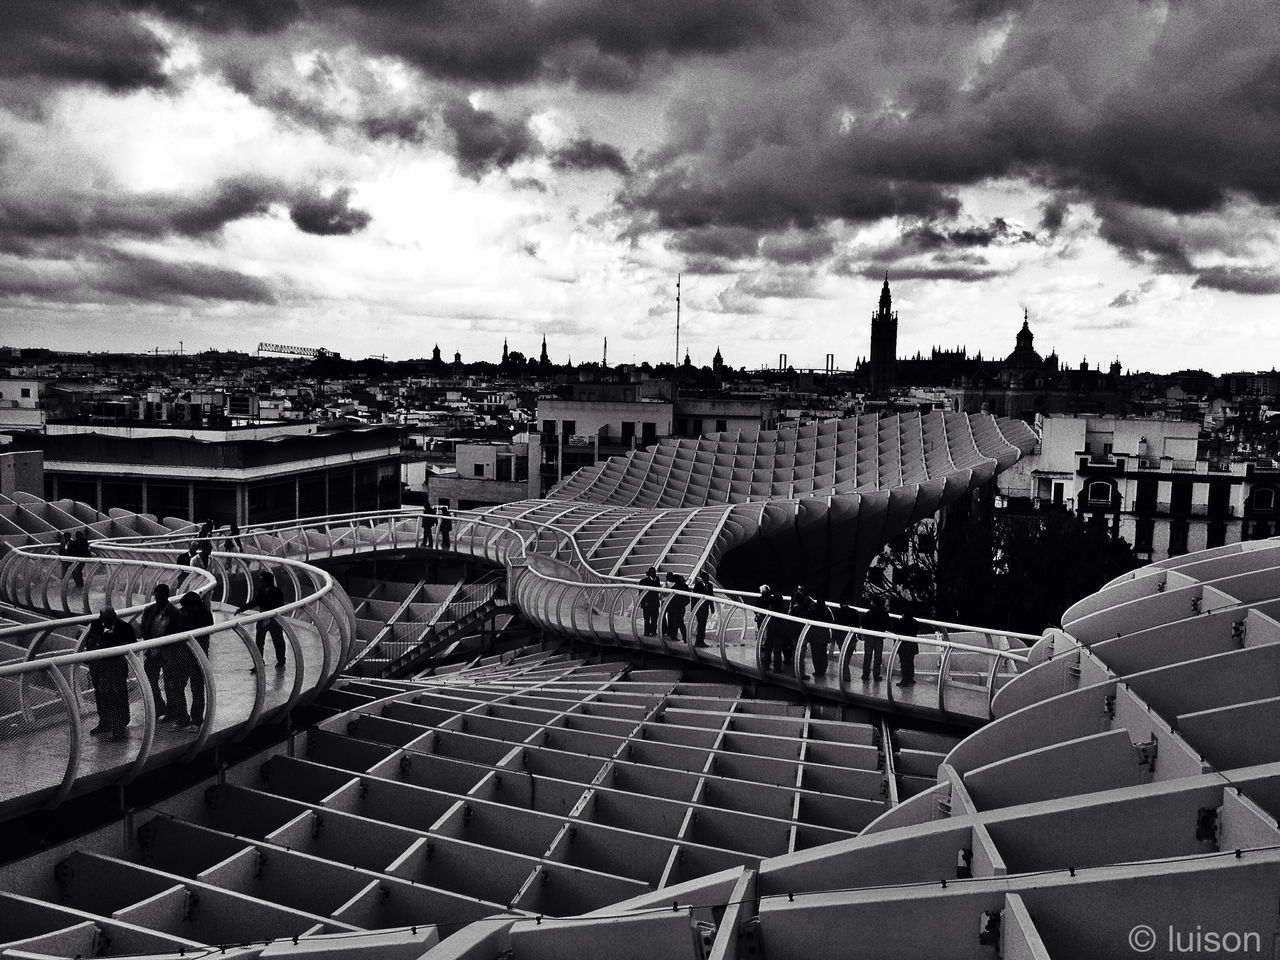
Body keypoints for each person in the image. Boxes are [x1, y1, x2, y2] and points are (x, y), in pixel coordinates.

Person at [84, 605, 135, 739]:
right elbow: (89, 641)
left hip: (115, 666)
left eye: (108, 618)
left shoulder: (124, 627)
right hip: (97, 665)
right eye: (103, 618)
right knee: (100, 694)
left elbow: (132, 644)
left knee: (115, 694)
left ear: (114, 616)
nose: (105, 621)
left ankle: (119, 727)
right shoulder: (96, 624)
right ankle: (105, 723)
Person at [138, 583, 183, 718]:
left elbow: (177, 634)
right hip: (152, 652)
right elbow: (144, 628)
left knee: (170, 683)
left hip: (168, 653)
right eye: (157, 599)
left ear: (168, 597)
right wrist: (150, 645)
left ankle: (171, 710)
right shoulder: (149, 610)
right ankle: (159, 707)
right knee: (149, 681)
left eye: (161, 599)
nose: (159, 602)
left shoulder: (175, 613)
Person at [172, 591, 215, 726]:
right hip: (186, 656)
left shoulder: (202, 615)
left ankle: (195, 720)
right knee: (179, 687)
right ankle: (184, 718)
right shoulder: (185, 613)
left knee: (195, 688)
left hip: (196, 657)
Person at [236, 570, 286, 671]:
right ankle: (259, 662)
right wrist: (242, 608)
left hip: (274, 621)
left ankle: (281, 660)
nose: (261, 583)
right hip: (262, 619)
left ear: (268, 581)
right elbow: (255, 601)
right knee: (259, 642)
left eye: (262, 581)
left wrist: (270, 618)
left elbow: (279, 607)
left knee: (278, 641)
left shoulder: (277, 592)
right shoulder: (262, 590)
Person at [756, 584, 787, 672]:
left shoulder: (770, 609)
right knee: (777, 651)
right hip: (779, 633)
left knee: (768, 649)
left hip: (770, 631)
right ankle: (777, 668)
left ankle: (766, 666)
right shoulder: (783, 610)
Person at [861, 595, 891, 683]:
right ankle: (876, 675)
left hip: (869, 637)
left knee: (867, 656)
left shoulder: (869, 613)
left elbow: (864, 624)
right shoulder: (885, 614)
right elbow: (887, 625)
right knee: (878, 657)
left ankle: (865, 675)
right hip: (879, 638)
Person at [807, 592, 833, 679]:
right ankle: (823, 670)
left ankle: (817, 670)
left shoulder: (813, 610)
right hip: (824, 634)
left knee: (815, 653)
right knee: (823, 653)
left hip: (814, 634)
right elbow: (831, 622)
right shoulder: (827, 611)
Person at [895, 600, 921, 687]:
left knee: (903, 663)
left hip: (903, 645)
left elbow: (895, 630)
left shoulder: (900, 622)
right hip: (912, 645)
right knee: (910, 662)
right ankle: (910, 678)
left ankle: (905, 680)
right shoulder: (915, 622)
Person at [834, 602, 862, 681]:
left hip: (841, 637)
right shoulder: (855, 612)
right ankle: (845, 674)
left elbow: (835, 625)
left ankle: (845, 675)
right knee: (848, 656)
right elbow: (857, 625)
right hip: (851, 637)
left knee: (844, 656)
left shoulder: (837, 612)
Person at [664, 573, 690, 642]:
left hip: (679, 608)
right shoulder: (675, 588)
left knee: (679, 622)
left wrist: (682, 604)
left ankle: (677, 636)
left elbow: (687, 599)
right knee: (679, 622)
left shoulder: (684, 587)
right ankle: (682, 638)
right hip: (675, 608)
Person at [692, 572, 715, 647]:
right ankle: (698, 641)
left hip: (705, 608)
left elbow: (711, 597)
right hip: (699, 608)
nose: (707, 579)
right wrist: (693, 609)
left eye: (708, 577)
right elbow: (694, 597)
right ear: (702, 578)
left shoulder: (710, 586)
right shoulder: (698, 585)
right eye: (706, 577)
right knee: (701, 624)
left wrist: (712, 608)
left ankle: (701, 641)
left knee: (703, 624)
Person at [639, 568, 661, 636]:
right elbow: (641, 593)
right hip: (647, 603)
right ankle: (647, 632)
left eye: (654, 572)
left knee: (655, 618)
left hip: (655, 603)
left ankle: (653, 631)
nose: (654, 574)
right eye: (652, 572)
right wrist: (643, 602)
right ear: (649, 573)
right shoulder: (644, 581)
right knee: (647, 618)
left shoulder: (657, 580)